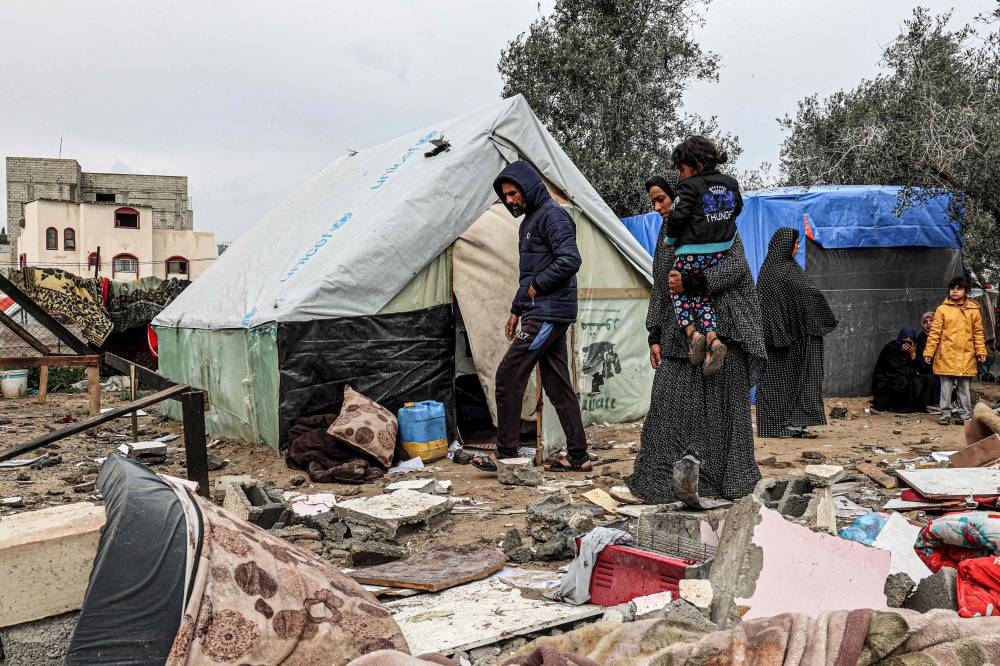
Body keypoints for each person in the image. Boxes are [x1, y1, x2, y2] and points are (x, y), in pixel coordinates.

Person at [621, 174, 766, 504]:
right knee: (668, 408)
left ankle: (728, 481)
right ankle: (659, 481)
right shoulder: (666, 233)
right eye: (654, 202)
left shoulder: (719, 226)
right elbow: (661, 284)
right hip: (678, 336)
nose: (658, 208)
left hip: (724, 331)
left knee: (724, 412)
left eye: (662, 200)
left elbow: (737, 267)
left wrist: (692, 282)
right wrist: (653, 333)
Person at [473, 160, 590, 473]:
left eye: (514, 193)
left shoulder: (553, 216)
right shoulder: (530, 221)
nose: (511, 200)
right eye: (506, 195)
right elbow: (528, 274)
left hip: (549, 313)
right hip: (539, 311)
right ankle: (579, 456)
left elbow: (570, 260)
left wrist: (538, 287)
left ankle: (507, 453)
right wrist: (516, 309)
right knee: (558, 385)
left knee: (508, 375)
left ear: (529, 187)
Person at [663, 136, 743, 375]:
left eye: (681, 169)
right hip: (719, 251)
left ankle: (692, 332)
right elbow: (736, 208)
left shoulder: (690, 186)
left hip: (692, 251)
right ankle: (713, 338)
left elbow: (677, 217)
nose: (681, 175)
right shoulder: (730, 183)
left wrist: (670, 240)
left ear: (696, 165)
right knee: (702, 294)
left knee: (677, 287)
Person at [754, 227, 838, 438]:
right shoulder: (786, 270)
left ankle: (780, 426)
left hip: (773, 337)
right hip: (790, 340)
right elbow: (810, 294)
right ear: (786, 245)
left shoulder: (768, 268)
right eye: (796, 243)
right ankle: (787, 425)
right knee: (794, 381)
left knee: (776, 385)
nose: (798, 247)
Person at [923, 276, 988, 425]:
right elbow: (935, 333)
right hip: (947, 354)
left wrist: (981, 351)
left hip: (966, 355)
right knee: (946, 388)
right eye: (953, 289)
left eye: (959, 289)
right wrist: (929, 352)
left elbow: (978, 333)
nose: (955, 292)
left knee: (964, 388)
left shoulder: (974, 310)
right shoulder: (942, 309)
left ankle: (964, 415)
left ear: (966, 291)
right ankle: (945, 415)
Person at [871, 326, 933, 413]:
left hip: (905, 374)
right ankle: (902, 407)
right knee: (905, 381)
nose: (907, 341)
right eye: (905, 338)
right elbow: (895, 369)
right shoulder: (891, 348)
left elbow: (922, 367)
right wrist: (915, 372)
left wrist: (912, 355)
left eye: (910, 339)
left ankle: (919, 405)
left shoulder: (912, 350)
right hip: (887, 380)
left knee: (928, 378)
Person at [915, 310, 942, 412]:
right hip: (927, 366)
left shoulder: (941, 335)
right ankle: (934, 401)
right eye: (926, 322)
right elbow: (921, 356)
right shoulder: (922, 337)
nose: (929, 324)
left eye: (931, 320)